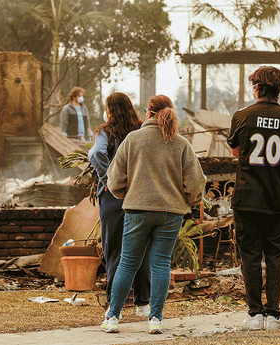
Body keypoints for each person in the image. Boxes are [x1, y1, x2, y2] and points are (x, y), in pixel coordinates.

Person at [101, 94, 206, 334]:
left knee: (127, 264)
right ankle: (155, 320)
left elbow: (114, 180)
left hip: (137, 210)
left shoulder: (133, 139)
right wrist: (188, 200)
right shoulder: (180, 143)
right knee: (160, 265)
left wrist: (125, 194)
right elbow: (197, 182)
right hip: (170, 213)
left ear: (147, 113)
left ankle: (113, 318)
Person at [227, 66, 280, 330]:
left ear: (256, 88)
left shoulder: (241, 116)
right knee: (274, 257)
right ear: (279, 90)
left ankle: (255, 314)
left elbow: (236, 151)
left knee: (250, 256)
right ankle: (274, 315)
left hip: (247, 198)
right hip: (279, 199)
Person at [88, 92, 151, 318]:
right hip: (139, 195)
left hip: (113, 199)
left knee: (114, 251)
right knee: (141, 250)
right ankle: (143, 304)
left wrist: (109, 179)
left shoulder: (106, 132)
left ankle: (115, 306)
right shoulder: (142, 130)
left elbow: (95, 153)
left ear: (109, 110)